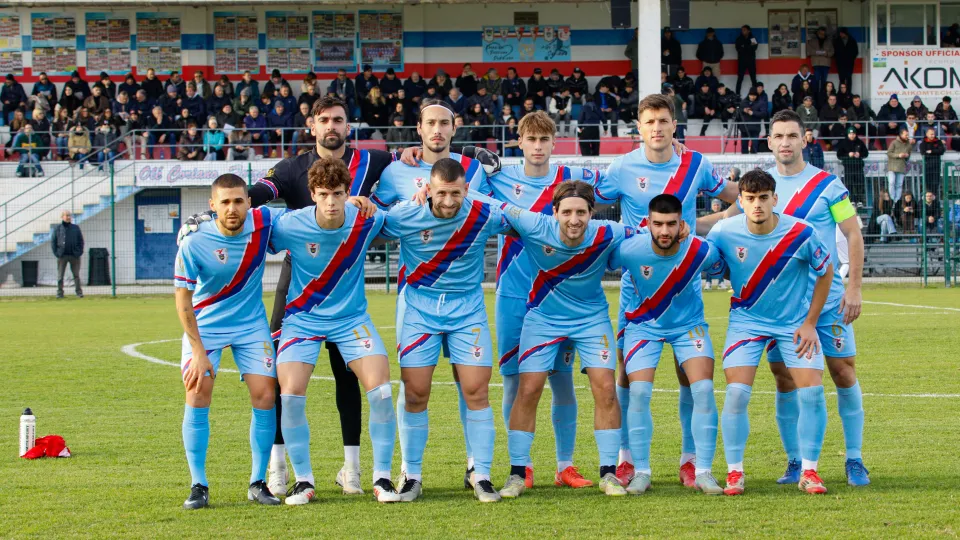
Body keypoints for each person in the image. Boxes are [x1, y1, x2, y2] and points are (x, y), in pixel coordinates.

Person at [705, 109, 870, 488]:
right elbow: (722, 223)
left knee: (844, 373)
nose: (784, 142)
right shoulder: (758, 186)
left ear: (805, 139)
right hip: (780, 308)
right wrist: (676, 227)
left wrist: (856, 286)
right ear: (769, 141)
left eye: (792, 135)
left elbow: (853, 234)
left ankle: (855, 459)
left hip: (826, 304)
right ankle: (796, 461)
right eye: (778, 135)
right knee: (784, 379)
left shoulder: (828, 186)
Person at [593, 94, 739, 488]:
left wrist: (715, 219)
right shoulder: (622, 167)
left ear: (675, 125)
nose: (656, 128)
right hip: (637, 292)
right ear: (638, 128)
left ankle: (691, 460)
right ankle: (626, 459)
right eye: (649, 121)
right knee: (628, 379)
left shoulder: (696, 164)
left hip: (685, 290)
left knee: (691, 379)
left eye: (663, 120)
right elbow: (583, 201)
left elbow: (737, 198)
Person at [486, 179, 633, 499]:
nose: (574, 219)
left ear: (592, 213)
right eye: (567, 212)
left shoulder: (608, 232)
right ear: (554, 212)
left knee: (606, 388)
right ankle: (517, 473)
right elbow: (492, 205)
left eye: (582, 212)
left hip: (591, 319)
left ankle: (608, 474)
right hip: (543, 318)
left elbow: (651, 234)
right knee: (528, 389)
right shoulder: (534, 223)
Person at [480, 111, 602, 490]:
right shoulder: (497, 178)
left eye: (544, 140)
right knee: (515, 381)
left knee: (563, 381)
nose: (537, 146)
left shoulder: (570, 182)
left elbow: (620, 183)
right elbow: (454, 178)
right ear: (519, 141)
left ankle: (565, 465)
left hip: (561, 297)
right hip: (515, 295)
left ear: (554, 143)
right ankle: (523, 465)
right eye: (530, 139)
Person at [267, 159, 399, 505]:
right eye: (323, 194)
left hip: (352, 320)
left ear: (347, 193)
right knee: (290, 395)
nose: (330, 202)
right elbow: (248, 237)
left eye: (338, 194)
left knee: (382, 392)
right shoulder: (289, 225)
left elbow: (408, 221)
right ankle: (303, 481)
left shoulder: (365, 220)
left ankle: (382, 478)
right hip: (302, 320)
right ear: (312, 194)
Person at [381, 158, 505, 503]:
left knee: (477, 392)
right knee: (416, 393)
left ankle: (481, 474)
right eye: (441, 193)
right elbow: (366, 226)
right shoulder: (407, 213)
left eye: (455, 193)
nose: (448, 201)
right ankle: (412, 474)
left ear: (466, 190)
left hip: (468, 311)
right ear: (428, 189)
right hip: (420, 310)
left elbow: (525, 221)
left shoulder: (484, 212)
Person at [705, 169, 833, 496]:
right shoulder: (723, 232)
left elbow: (826, 271)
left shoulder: (802, 233)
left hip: (794, 324)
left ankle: (810, 471)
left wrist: (810, 322)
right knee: (736, 393)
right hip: (746, 322)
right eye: (749, 199)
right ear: (741, 201)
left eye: (763, 198)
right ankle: (735, 472)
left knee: (813, 392)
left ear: (775, 199)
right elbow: (704, 259)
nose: (757, 205)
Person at [174, 174, 282, 509]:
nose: (232, 208)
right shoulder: (193, 241)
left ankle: (257, 481)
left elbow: (312, 214)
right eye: (224, 202)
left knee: (266, 395)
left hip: (251, 325)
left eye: (238, 201)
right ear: (212, 206)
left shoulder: (265, 223)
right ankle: (198, 485)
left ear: (250, 202)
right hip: (205, 328)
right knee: (198, 390)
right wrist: (197, 350)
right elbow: (182, 300)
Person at [613, 194, 724, 495]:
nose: (664, 231)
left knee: (702, 389)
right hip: (643, 327)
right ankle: (640, 470)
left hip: (688, 326)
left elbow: (725, 262)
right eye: (658, 224)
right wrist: (621, 331)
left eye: (671, 224)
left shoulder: (700, 251)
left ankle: (701, 469)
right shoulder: (629, 249)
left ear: (682, 225)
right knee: (638, 391)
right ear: (647, 224)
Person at [52, 210, 84, 299]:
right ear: (62, 217)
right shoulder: (58, 228)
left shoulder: (75, 228)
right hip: (62, 256)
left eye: (69, 215)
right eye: (67, 215)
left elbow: (81, 241)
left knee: (76, 275)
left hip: (74, 256)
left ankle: (79, 292)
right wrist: (57, 253)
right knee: (60, 276)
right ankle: (60, 293)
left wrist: (79, 252)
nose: (68, 217)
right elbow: (53, 242)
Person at [836, 127, 869, 204]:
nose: (852, 135)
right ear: (848, 134)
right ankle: (851, 199)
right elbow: (839, 155)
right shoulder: (843, 143)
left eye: (853, 134)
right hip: (848, 167)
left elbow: (866, 153)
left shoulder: (860, 142)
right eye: (850, 134)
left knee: (859, 183)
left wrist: (859, 154)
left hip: (858, 166)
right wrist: (848, 155)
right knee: (849, 183)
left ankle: (860, 200)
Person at [887, 128, 912, 202]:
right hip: (892, 167)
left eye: (908, 135)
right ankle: (892, 199)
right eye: (906, 135)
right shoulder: (894, 142)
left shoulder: (909, 145)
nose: (907, 136)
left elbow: (908, 156)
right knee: (891, 182)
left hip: (901, 167)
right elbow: (889, 153)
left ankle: (896, 200)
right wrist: (898, 155)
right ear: (901, 135)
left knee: (899, 184)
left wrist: (907, 156)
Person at [807, 27, 834, 94]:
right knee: (816, 80)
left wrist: (826, 53)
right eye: (820, 33)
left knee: (824, 81)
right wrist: (818, 52)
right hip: (816, 64)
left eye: (823, 33)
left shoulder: (829, 42)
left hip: (826, 64)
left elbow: (832, 52)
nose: (822, 34)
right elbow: (808, 51)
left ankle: (823, 95)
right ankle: (816, 95)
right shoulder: (812, 41)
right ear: (817, 33)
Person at [920, 127, 946, 195]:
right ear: (927, 134)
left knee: (936, 183)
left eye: (933, 134)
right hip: (927, 166)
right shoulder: (923, 143)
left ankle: (935, 198)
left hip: (936, 165)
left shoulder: (938, 141)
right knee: (928, 184)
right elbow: (923, 153)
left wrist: (931, 151)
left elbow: (942, 151)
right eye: (931, 134)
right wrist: (935, 152)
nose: (933, 136)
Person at [739, 88, 765, 154]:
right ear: (749, 95)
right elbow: (738, 112)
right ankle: (744, 161)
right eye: (751, 95)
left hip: (755, 128)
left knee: (754, 146)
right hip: (744, 127)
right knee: (744, 146)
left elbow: (764, 113)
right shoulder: (743, 102)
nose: (752, 97)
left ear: (757, 96)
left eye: (754, 95)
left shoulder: (761, 103)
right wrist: (743, 110)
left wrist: (753, 113)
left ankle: (754, 161)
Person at [735, 25, 758, 95]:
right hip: (742, 62)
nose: (743, 31)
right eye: (742, 30)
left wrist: (744, 46)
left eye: (744, 30)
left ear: (749, 31)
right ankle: (737, 95)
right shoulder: (739, 39)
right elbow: (738, 49)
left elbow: (754, 48)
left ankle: (755, 94)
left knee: (753, 79)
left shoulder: (753, 38)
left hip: (751, 61)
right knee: (740, 79)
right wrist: (748, 46)